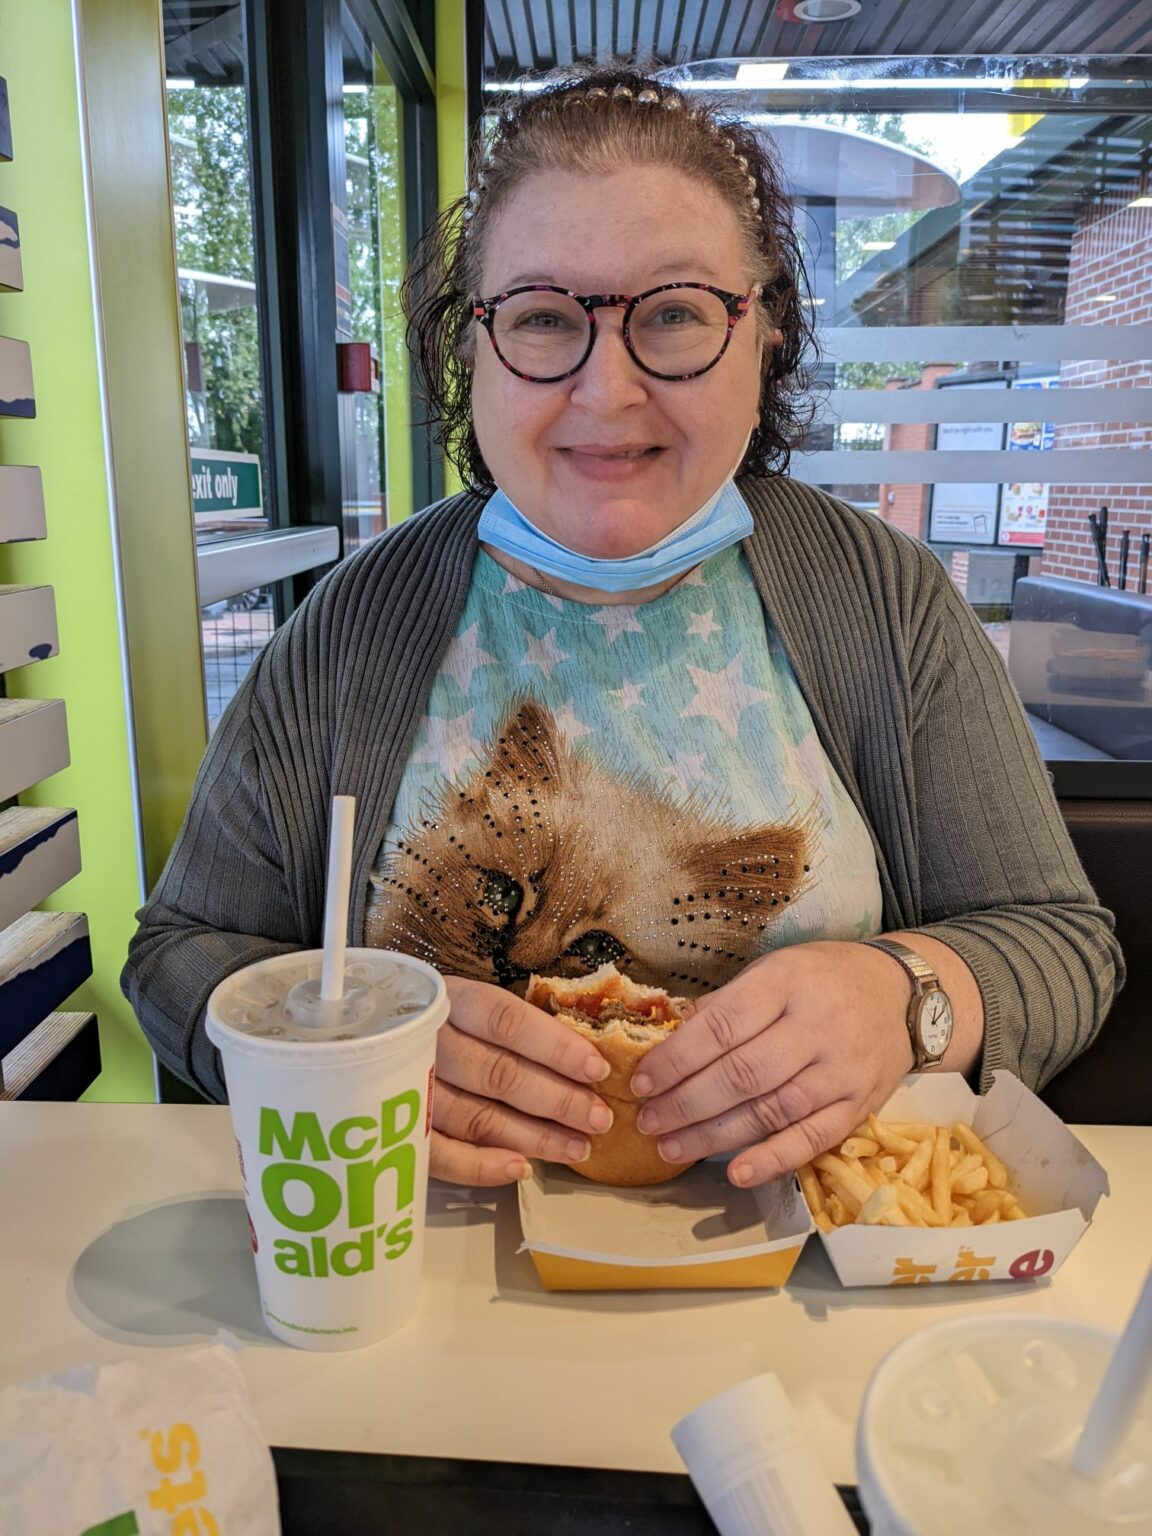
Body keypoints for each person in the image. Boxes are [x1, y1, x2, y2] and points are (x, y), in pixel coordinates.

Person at [123, 64, 1122, 1191]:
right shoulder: (351, 629)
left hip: (801, 1277)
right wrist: (343, 1054)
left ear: (765, 335)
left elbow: (1061, 942)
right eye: (545, 319)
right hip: (423, 1268)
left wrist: (908, 997)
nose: (608, 392)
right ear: (470, 347)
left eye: (676, 315)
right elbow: (176, 961)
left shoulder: (885, 602)